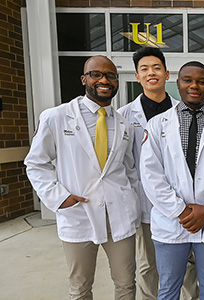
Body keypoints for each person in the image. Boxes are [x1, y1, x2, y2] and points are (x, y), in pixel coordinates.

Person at [24, 55, 140, 299]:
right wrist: (59, 197)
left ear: (117, 82)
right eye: (96, 74)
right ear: (84, 79)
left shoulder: (124, 125)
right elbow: (36, 163)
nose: (104, 80)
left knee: (126, 283)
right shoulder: (56, 117)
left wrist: (131, 201)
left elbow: (129, 170)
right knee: (80, 286)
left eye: (110, 76)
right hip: (78, 213)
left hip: (118, 215)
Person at [140, 61, 204, 300]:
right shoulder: (157, 125)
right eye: (188, 80)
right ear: (177, 84)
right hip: (171, 222)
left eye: (202, 81)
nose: (195, 86)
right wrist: (180, 211)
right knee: (169, 288)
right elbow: (150, 174)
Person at [118, 47, 199, 300]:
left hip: (184, 203)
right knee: (149, 266)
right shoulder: (124, 116)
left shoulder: (184, 111)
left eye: (156, 68)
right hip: (146, 205)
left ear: (166, 74)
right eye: (144, 69)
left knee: (188, 267)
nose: (151, 73)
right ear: (137, 76)